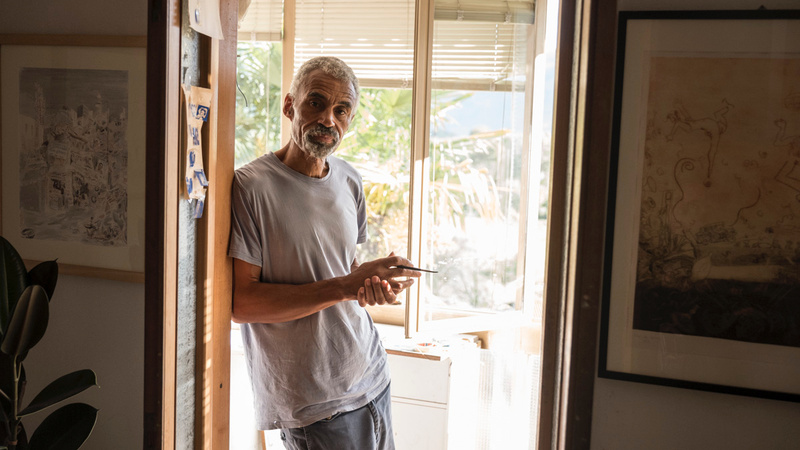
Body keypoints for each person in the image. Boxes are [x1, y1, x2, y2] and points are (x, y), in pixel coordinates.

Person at [228, 56, 421, 450]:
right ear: (289, 106)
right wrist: (347, 285)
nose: (328, 119)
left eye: (341, 109)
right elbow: (242, 303)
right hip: (316, 405)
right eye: (316, 102)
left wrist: (369, 282)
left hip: (372, 377)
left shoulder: (349, 180)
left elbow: (341, 271)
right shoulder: (250, 187)